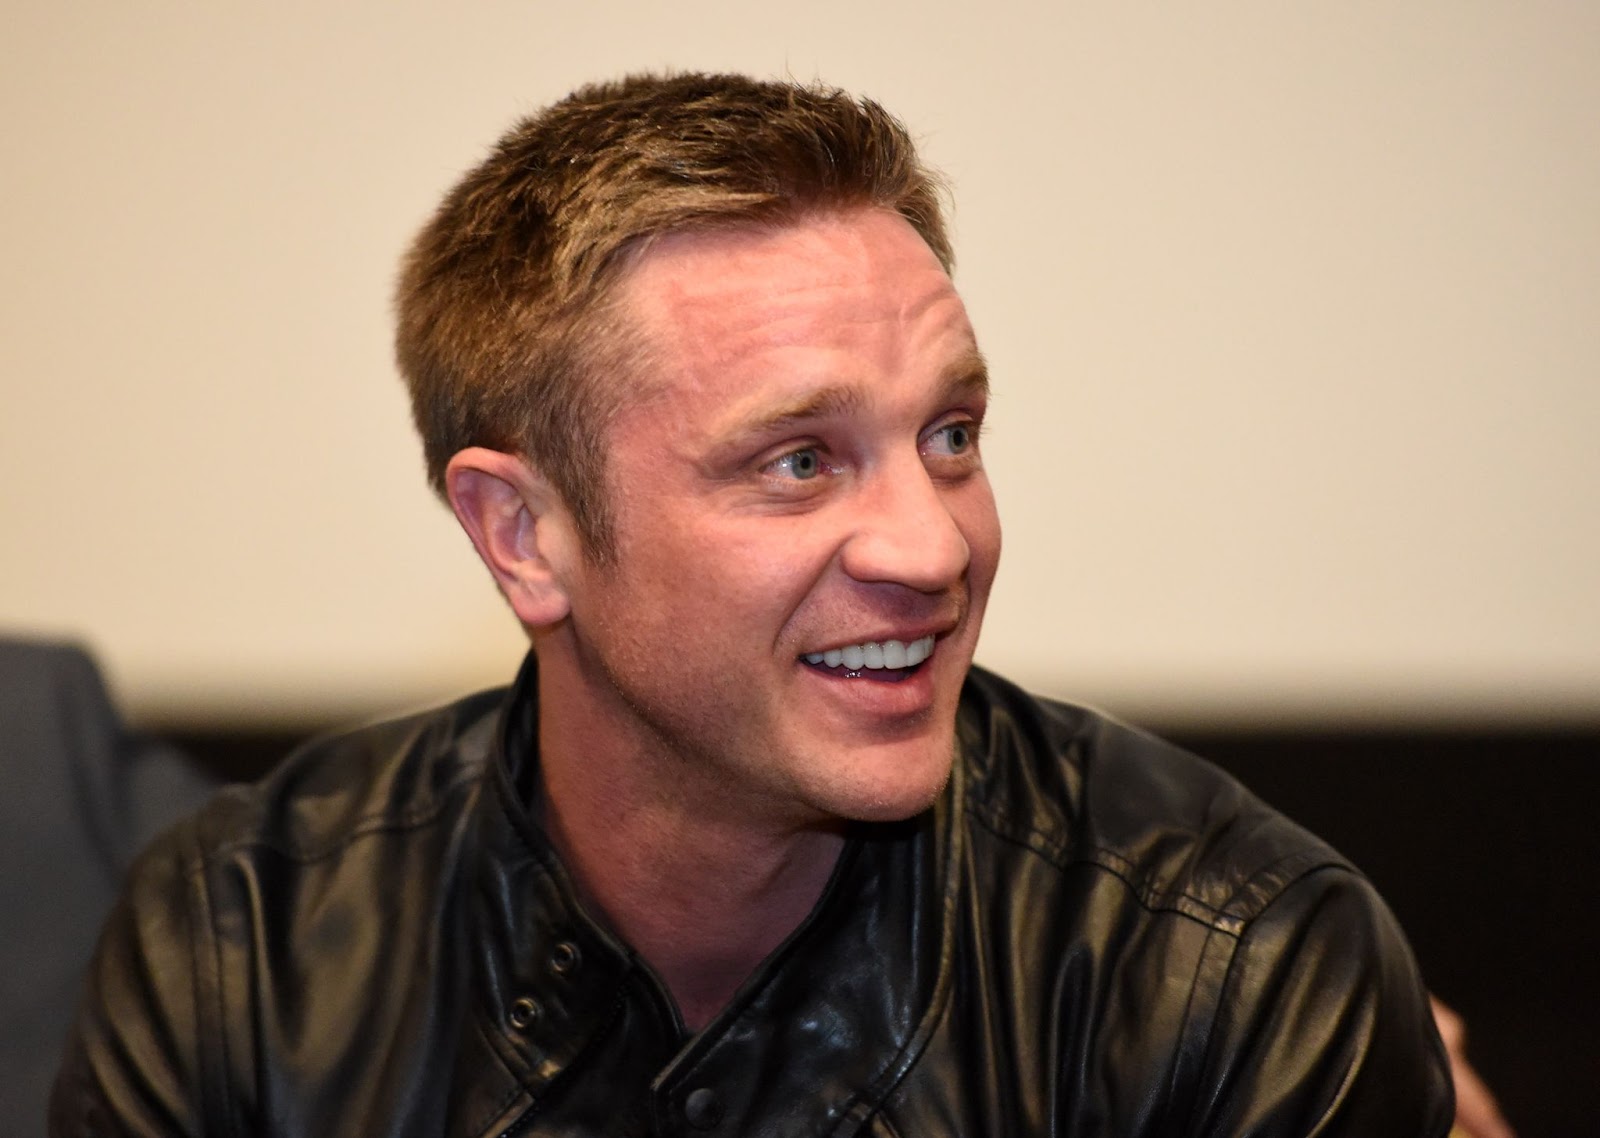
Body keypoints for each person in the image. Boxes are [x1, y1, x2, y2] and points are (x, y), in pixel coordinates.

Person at [52, 73, 1456, 1136]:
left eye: (950, 434)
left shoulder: (1231, 964)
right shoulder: (244, 950)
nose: (933, 545)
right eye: (799, 461)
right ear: (524, 532)